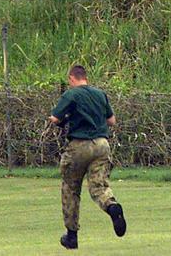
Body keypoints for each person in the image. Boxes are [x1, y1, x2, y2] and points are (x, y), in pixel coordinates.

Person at [49, 65, 126, 249]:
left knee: (71, 188)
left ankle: (72, 235)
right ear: (85, 77)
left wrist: (67, 118)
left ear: (71, 78)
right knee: (98, 187)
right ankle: (112, 207)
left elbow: (55, 118)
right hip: (101, 144)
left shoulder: (71, 94)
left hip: (79, 145)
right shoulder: (100, 94)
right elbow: (112, 121)